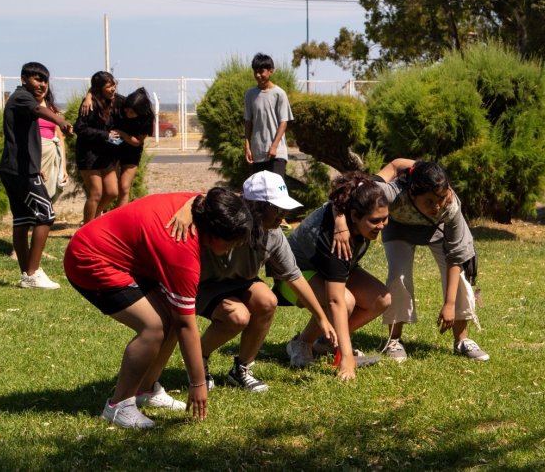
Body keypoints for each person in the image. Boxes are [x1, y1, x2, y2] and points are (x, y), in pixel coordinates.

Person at [63, 188, 253, 429]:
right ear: (215, 235)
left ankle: (145, 388)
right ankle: (118, 406)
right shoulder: (182, 249)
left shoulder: (206, 204)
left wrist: (190, 203)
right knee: (153, 327)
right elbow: (186, 324)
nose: (237, 245)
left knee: (170, 317)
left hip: (122, 255)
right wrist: (197, 383)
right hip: (90, 258)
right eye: (233, 241)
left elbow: (221, 195)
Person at [167, 171, 338, 392]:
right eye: (277, 208)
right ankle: (198, 362)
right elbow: (206, 199)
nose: (283, 214)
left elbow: (293, 275)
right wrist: (186, 209)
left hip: (240, 282)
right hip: (205, 285)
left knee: (267, 300)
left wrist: (321, 318)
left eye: (285, 208)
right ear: (256, 206)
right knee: (237, 316)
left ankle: (242, 369)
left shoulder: (273, 233)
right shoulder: (224, 220)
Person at [334, 159, 488, 362]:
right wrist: (339, 223)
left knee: (459, 278)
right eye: (430, 201)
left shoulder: (450, 206)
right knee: (399, 276)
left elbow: (455, 256)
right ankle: (394, 340)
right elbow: (346, 193)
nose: (437, 205)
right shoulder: (392, 192)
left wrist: (449, 304)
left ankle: (462, 340)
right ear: (412, 194)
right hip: (399, 229)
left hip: (437, 230)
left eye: (441, 198)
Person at [277, 171, 391, 381]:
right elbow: (336, 300)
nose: (382, 225)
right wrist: (347, 359)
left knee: (381, 299)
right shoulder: (334, 239)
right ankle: (302, 344)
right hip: (294, 276)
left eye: (385, 218)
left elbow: (393, 166)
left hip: (329, 267)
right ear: (355, 216)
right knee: (345, 301)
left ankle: (326, 342)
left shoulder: (369, 195)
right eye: (375, 221)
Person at [0, 61, 73, 289]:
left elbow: (23, 139)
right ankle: (33, 272)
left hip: (16, 168)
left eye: (45, 80)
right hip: (21, 171)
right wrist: (60, 119)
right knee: (46, 215)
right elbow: (40, 110)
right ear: (24, 79)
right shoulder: (22, 97)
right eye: (37, 79)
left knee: (22, 220)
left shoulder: (20, 99)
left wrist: (34, 163)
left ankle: (26, 275)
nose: (42, 84)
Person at [75, 71, 120, 224]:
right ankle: (86, 230)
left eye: (114, 84)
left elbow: (132, 102)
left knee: (113, 192)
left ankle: (92, 220)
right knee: (96, 193)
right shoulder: (89, 103)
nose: (113, 88)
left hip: (106, 154)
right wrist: (105, 135)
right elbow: (79, 128)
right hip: (89, 155)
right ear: (99, 88)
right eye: (109, 86)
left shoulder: (114, 100)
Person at [244, 53, 293, 177]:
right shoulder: (250, 95)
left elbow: (283, 123)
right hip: (257, 153)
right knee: (259, 192)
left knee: (275, 193)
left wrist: (274, 146)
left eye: (262, 71)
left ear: (271, 71)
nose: (258, 75)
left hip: (276, 154)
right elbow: (248, 122)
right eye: (255, 72)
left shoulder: (279, 94)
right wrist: (247, 147)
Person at [111, 87, 154, 207]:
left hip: (132, 149)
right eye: (126, 110)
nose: (127, 114)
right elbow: (98, 89)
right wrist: (88, 97)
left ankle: (119, 219)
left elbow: (137, 142)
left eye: (132, 113)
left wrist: (122, 133)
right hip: (112, 147)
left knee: (124, 187)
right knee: (110, 188)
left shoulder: (147, 118)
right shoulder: (119, 101)